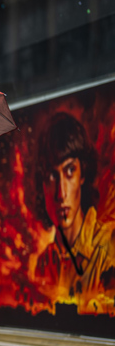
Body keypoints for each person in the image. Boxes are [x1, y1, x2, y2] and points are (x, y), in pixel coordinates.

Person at [32, 112, 115, 313]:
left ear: (82, 175)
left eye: (70, 171)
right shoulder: (44, 263)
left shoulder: (108, 248)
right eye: (52, 176)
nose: (61, 193)